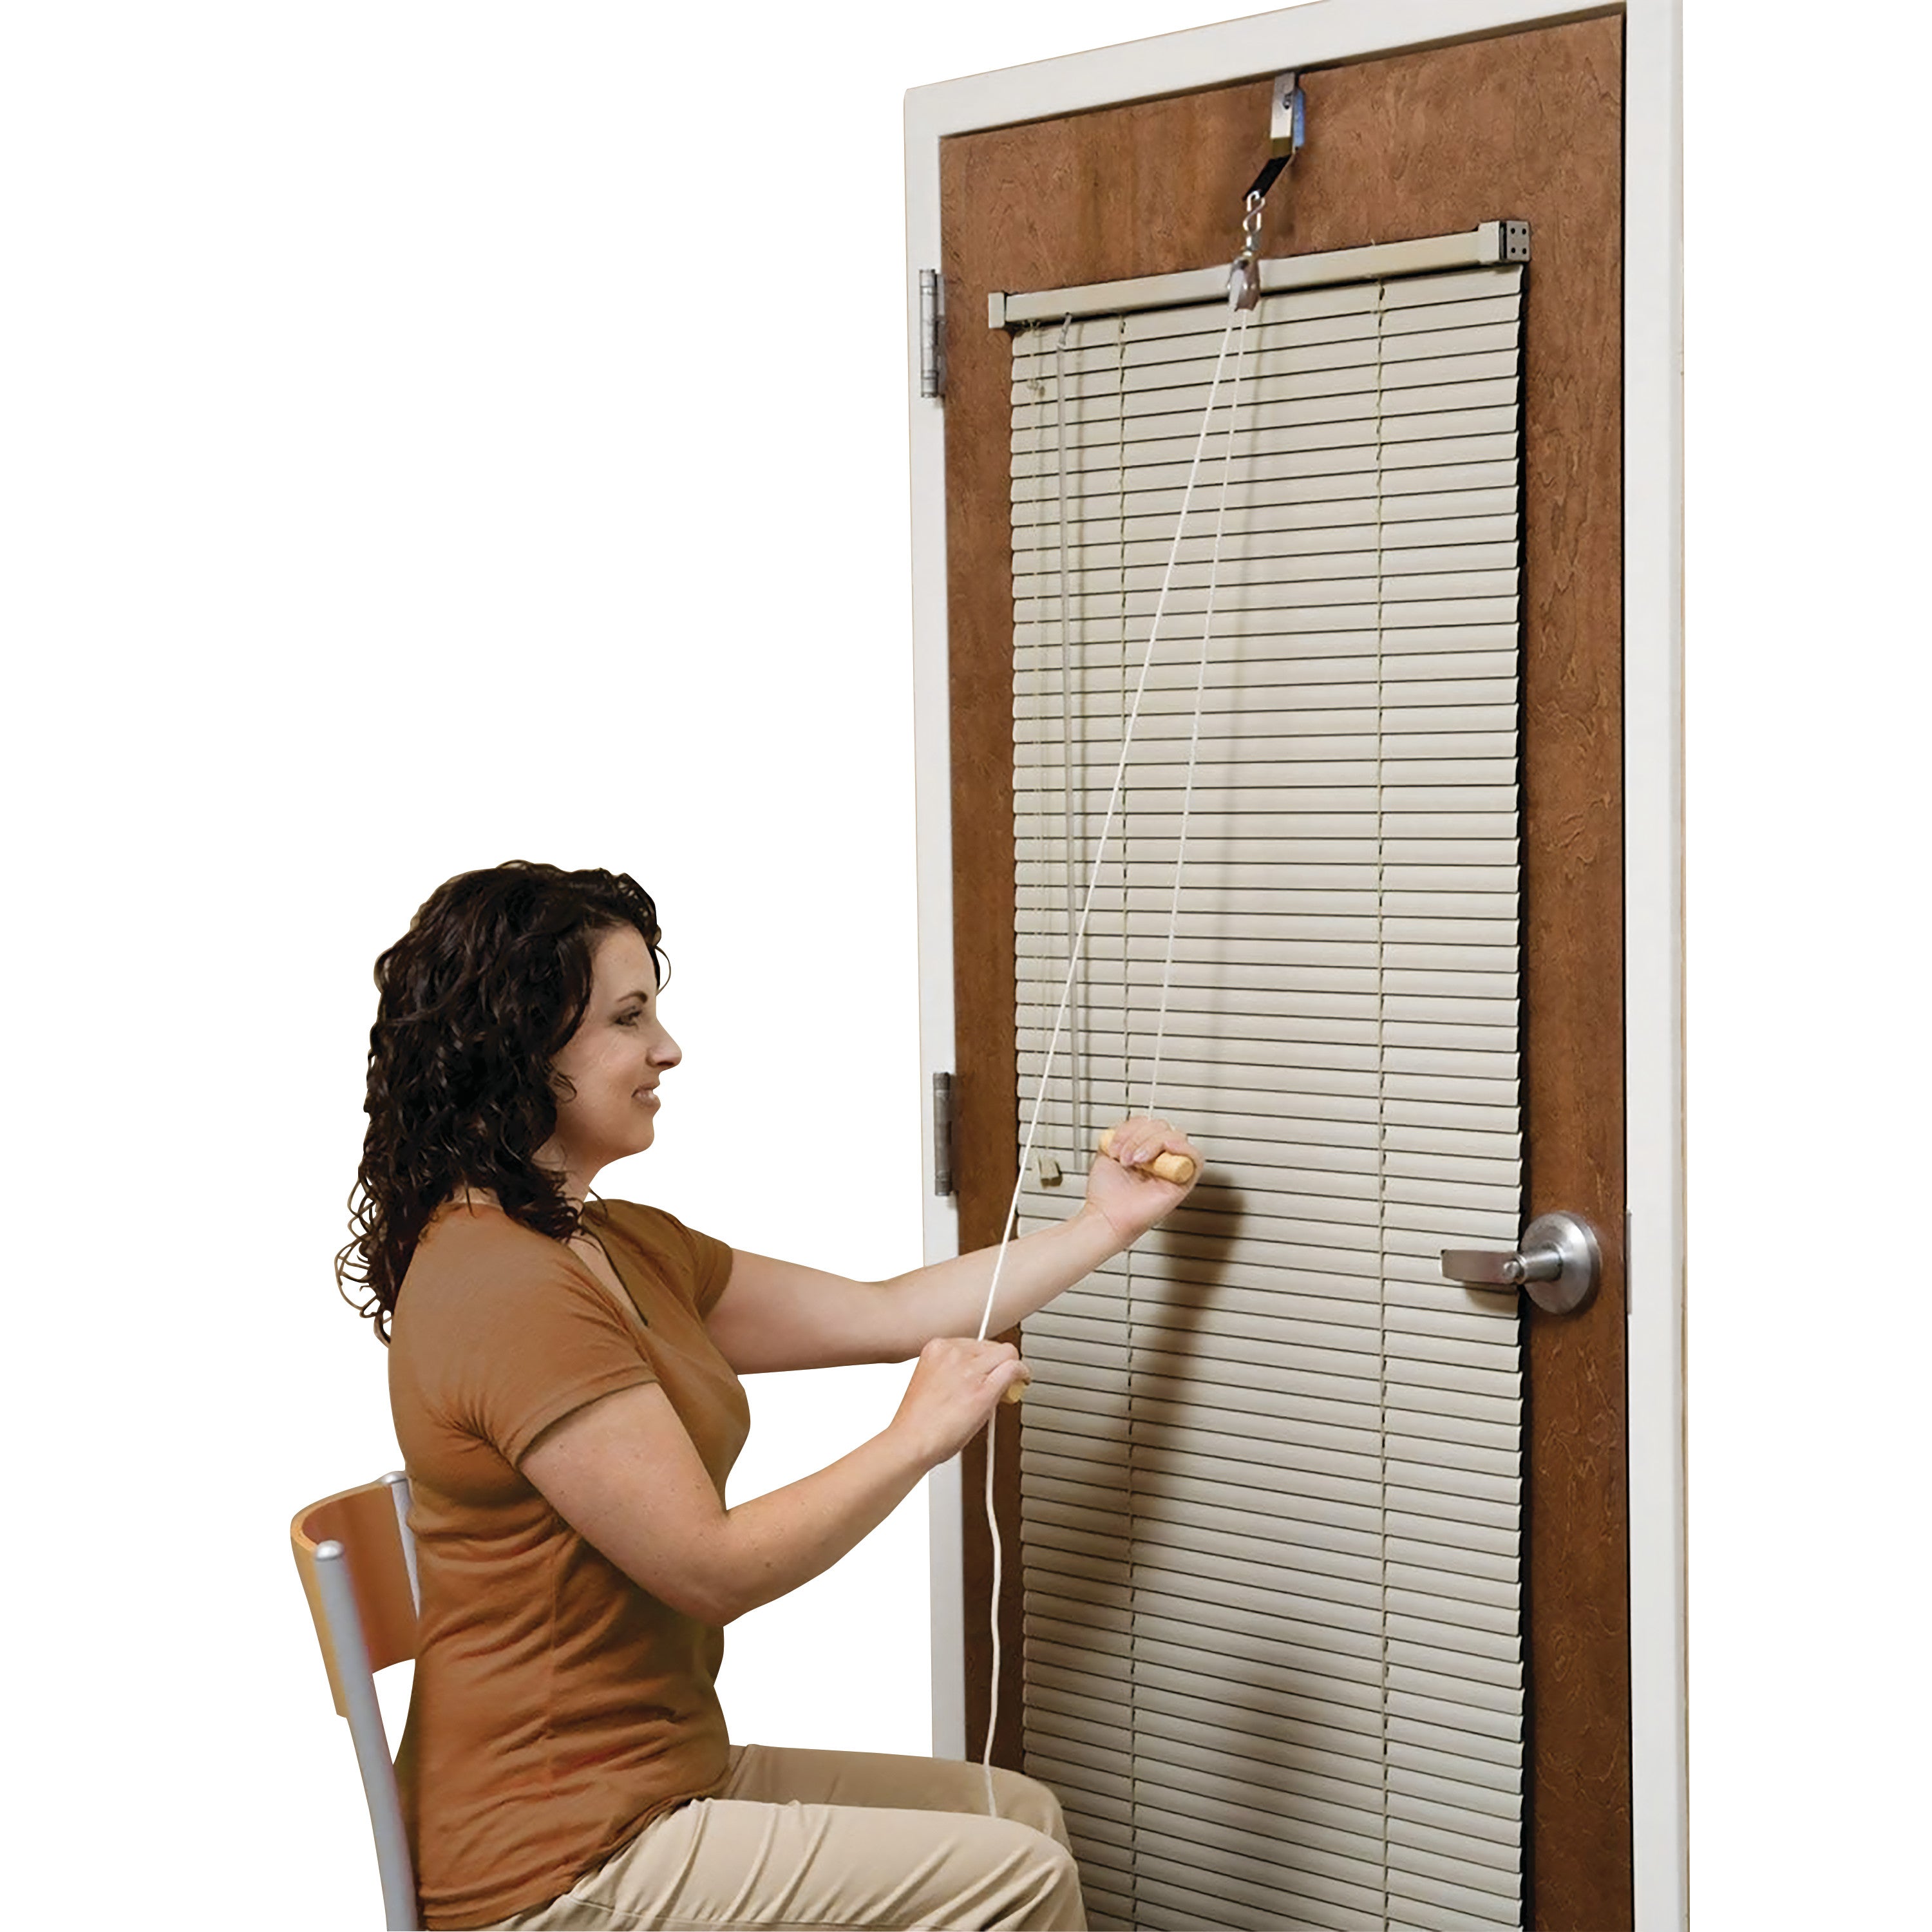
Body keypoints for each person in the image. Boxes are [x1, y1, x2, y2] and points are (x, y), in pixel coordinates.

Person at [337, 862, 1202, 1931]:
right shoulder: (501, 1284)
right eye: (628, 1018)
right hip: (556, 1860)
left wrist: (1103, 1226)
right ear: (521, 1048)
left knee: (1017, 1818)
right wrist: (915, 1440)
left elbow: (885, 1313)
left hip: (655, 1782)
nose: (668, 1048)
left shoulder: (614, 1244)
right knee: (1015, 1881)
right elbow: (711, 1567)